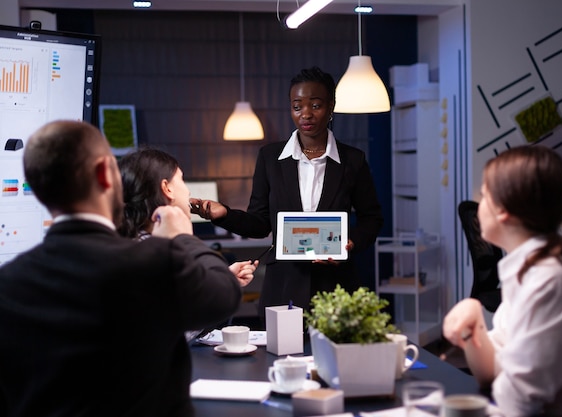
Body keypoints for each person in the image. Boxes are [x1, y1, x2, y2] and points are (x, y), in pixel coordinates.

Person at [0, 120, 242, 417]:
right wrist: (182, 239)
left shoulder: (8, 283)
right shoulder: (151, 261)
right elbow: (224, 296)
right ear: (105, 174)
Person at [443, 145, 562, 417]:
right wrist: (473, 324)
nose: (479, 205)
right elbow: (491, 372)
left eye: (484, 196)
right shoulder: (530, 268)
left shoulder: (553, 279)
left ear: (503, 211)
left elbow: (518, 400)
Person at [190, 66, 384, 315]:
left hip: (336, 285)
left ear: (331, 106)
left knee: (335, 353)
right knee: (280, 353)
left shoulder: (353, 160)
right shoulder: (270, 158)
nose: (306, 114)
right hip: (284, 285)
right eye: (297, 106)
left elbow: (372, 218)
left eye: (315, 105)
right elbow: (260, 224)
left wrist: (351, 242)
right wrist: (223, 214)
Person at [117, 147, 258, 289]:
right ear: (167, 188)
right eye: (181, 179)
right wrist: (185, 238)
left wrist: (223, 278)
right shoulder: (163, 255)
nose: (188, 190)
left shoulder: (131, 246)